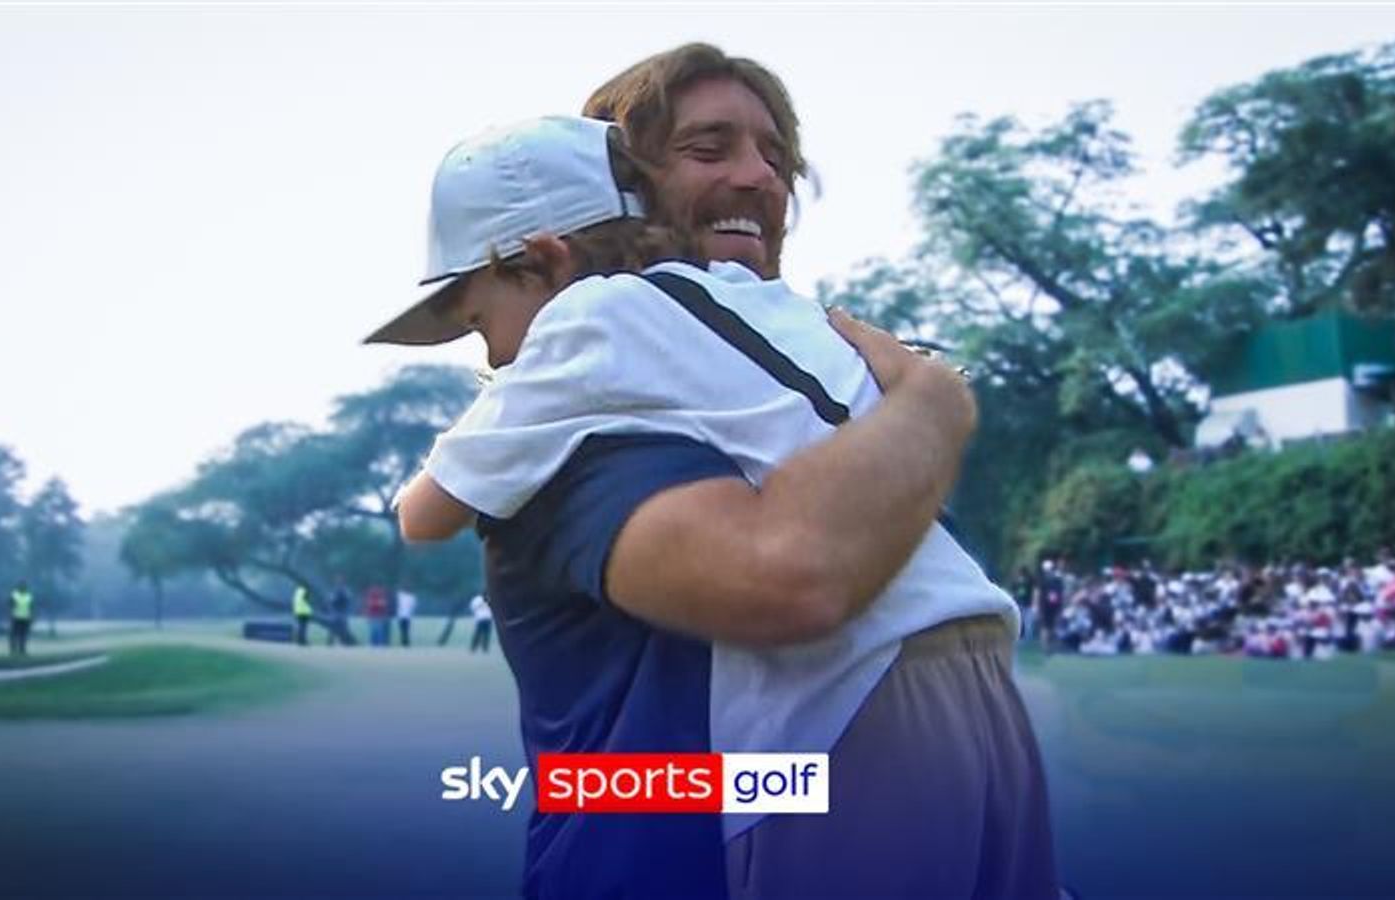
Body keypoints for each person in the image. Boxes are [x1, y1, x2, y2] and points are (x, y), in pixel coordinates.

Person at [375, 100, 1052, 897]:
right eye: (705, 151)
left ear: (546, 262)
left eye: (480, 317)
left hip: (838, 712)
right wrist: (936, 398)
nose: (488, 351)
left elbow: (424, 513)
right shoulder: (773, 312)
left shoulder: (585, 343)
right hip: (979, 673)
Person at [8, 580, 34, 656]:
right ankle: (13, 650)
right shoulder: (14, 595)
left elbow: (31, 607)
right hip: (16, 617)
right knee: (14, 635)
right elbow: (10, 605)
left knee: (23, 635)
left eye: (24, 586)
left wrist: (32, 617)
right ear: (19, 587)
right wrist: (10, 615)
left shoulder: (29, 596)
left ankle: (22, 650)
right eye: (21, 586)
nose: (23, 587)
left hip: (26, 618)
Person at [327, 577, 353, 646]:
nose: (339, 583)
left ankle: (344, 642)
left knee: (343, 628)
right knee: (334, 627)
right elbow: (331, 600)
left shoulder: (345, 590)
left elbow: (348, 600)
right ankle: (330, 642)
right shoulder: (335, 590)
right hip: (336, 611)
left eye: (340, 582)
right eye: (338, 581)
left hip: (342, 611)